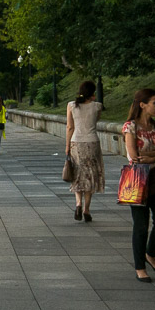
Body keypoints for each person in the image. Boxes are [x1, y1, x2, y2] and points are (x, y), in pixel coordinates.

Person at [122, 88, 155, 282]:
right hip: (137, 180)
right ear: (142, 105)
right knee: (141, 226)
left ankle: (150, 253)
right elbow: (134, 157)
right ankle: (140, 267)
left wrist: (151, 156)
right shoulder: (130, 127)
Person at [65, 80, 104, 222]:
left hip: (76, 142)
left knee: (77, 173)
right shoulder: (97, 106)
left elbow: (70, 127)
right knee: (90, 175)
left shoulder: (71, 105)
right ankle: (87, 209)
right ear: (93, 93)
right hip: (92, 142)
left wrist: (67, 146)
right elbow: (95, 121)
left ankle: (78, 203)